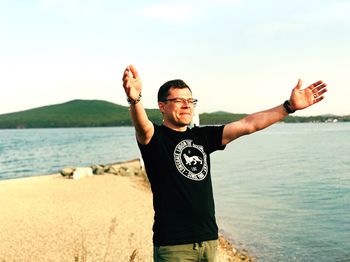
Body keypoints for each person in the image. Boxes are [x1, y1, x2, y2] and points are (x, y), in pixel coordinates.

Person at [122, 65, 327, 262]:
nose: (187, 105)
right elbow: (142, 125)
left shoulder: (202, 136)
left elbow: (248, 124)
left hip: (209, 240)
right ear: (162, 106)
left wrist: (288, 107)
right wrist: (135, 100)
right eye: (178, 100)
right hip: (174, 245)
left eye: (190, 100)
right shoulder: (154, 138)